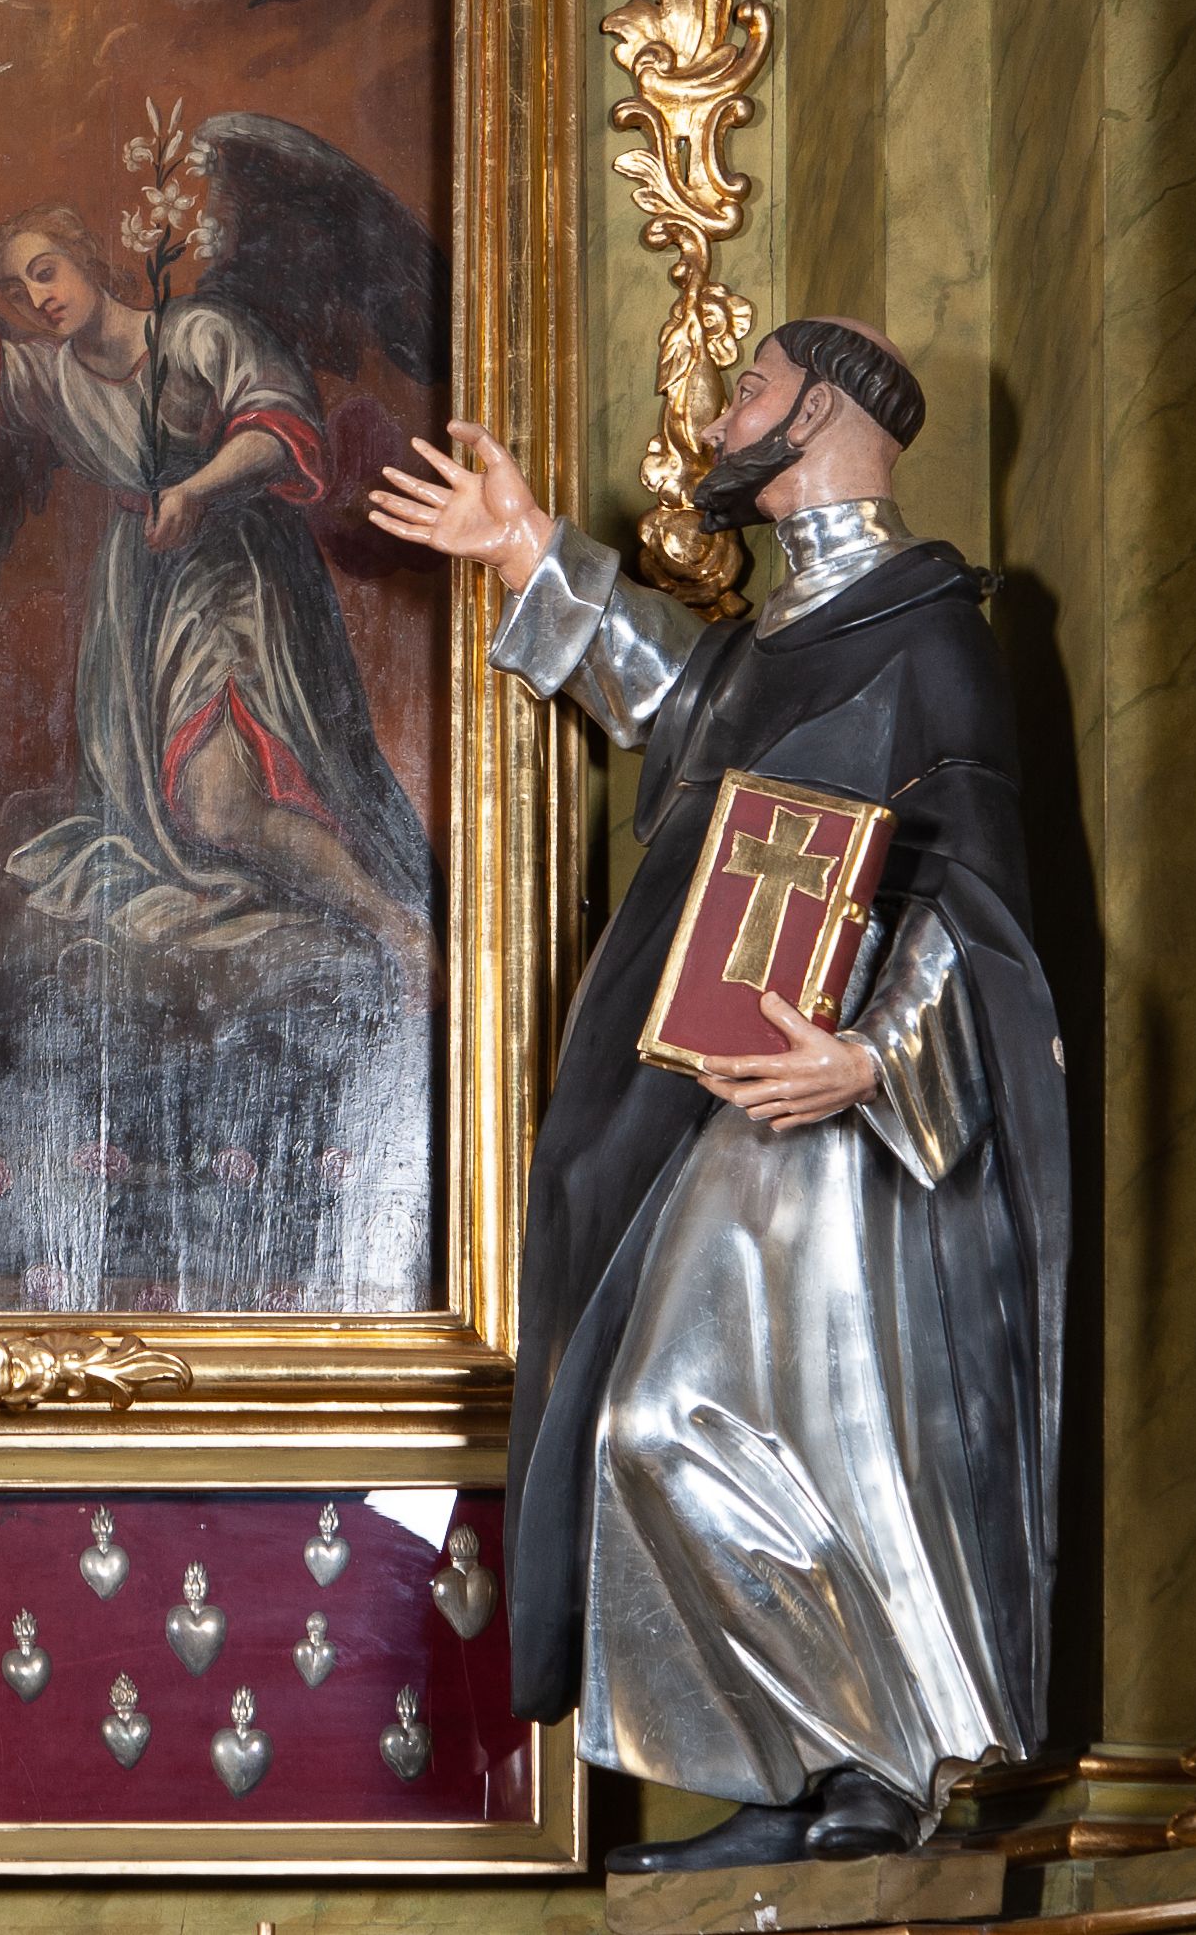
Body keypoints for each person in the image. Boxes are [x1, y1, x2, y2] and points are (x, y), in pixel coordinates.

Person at [370, 320, 1067, 1869]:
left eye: (748, 387)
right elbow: (682, 701)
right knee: (680, 1424)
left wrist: (869, 1056)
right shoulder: (775, 640)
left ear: (825, 408)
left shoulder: (930, 631)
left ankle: (873, 1762)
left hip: (831, 1129)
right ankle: (806, 1778)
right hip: (720, 1094)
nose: (720, 411)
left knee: (728, 1425)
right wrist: (527, 551)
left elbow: (973, 904)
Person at [0, 151, 437, 971]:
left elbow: (278, 425)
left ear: (87, 259)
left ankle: (396, 927)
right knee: (192, 814)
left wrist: (197, 488)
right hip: (141, 590)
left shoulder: (194, 333)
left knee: (217, 805)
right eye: (16, 291)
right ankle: (365, 922)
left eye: (46, 270)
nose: (37, 297)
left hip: (233, 573)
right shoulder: (49, 377)